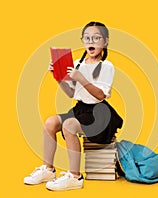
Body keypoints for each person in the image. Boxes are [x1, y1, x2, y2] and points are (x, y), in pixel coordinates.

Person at [24, 21, 123, 191]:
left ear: (105, 42)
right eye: (87, 38)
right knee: (50, 123)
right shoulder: (78, 63)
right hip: (81, 110)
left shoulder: (106, 66)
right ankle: (48, 169)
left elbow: (100, 95)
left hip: (100, 113)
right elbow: (71, 93)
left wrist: (81, 78)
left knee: (69, 125)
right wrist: (58, 77)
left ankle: (75, 177)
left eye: (96, 38)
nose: (91, 42)